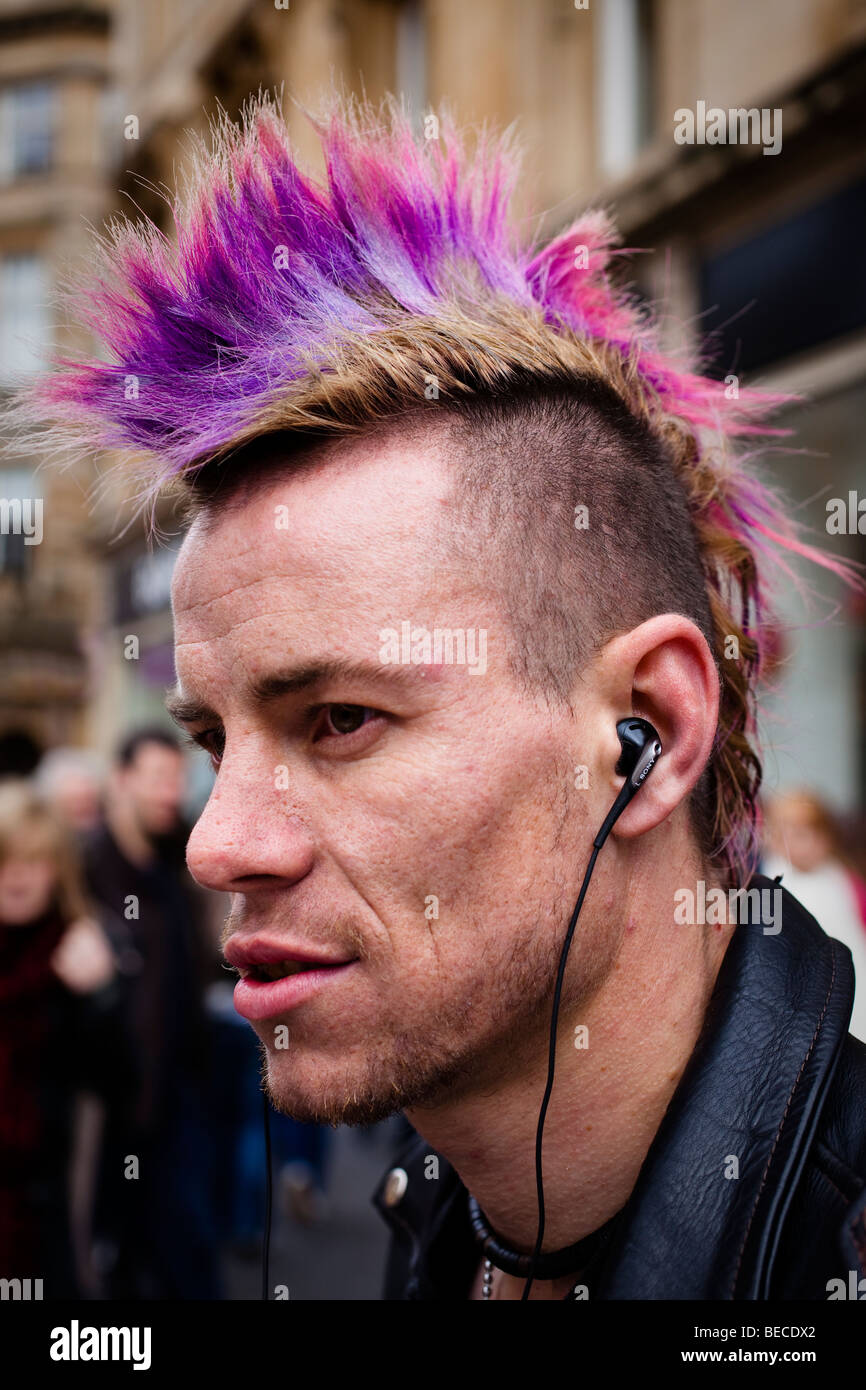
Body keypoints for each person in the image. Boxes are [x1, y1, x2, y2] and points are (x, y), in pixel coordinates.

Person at [20, 92, 866, 1301]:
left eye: (340, 720)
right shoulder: (440, 1217)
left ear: (650, 729)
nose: (219, 845)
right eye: (212, 735)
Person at [82, 727, 221, 1299]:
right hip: (109, 1103)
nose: (172, 793)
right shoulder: (85, 871)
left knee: (186, 1248)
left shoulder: (180, 865)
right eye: (159, 779)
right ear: (121, 780)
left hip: (178, 1091)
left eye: (179, 780)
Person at [0, 780, 125, 1298]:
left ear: (58, 870)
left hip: (44, 1203)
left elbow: (121, 1084)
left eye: (35, 859)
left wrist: (100, 995)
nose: (18, 875)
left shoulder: (83, 952)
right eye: (5, 858)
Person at [763, 789, 866, 1042]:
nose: (790, 842)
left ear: (824, 838)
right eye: (784, 833)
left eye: (802, 834)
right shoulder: (775, 882)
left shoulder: (843, 881)